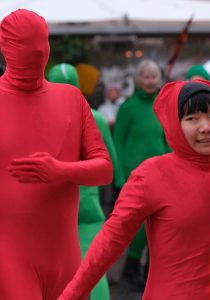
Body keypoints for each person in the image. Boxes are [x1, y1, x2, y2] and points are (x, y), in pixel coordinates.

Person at [59, 79, 210, 299]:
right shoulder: (151, 175)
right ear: (174, 124)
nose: (205, 127)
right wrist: (71, 295)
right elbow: (109, 242)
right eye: (192, 119)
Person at [0, 9, 112, 299]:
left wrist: (61, 170)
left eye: (41, 46)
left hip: (65, 254)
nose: (36, 54)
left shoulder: (71, 98)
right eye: (26, 47)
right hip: (10, 254)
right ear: (5, 49)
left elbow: (104, 169)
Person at [47, 63, 126, 300]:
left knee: (54, 271)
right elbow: (110, 162)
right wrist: (121, 186)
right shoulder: (97, 118)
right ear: (79, 86)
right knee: (93, 270)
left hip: (51, 210)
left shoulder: (40, 118)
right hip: (87, 208)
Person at [113, 59, 171, 286]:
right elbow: (117, 142)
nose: (150, 80)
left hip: (160, 174)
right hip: (133, 175)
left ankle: (146, 270)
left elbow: (167, 140)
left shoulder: (162, 105)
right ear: (138, 80)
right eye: (145, 76)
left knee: (157, 224)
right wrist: (118, 175)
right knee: (136, 227)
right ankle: (132, 268)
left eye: (154, 76)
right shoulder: (128, 108)